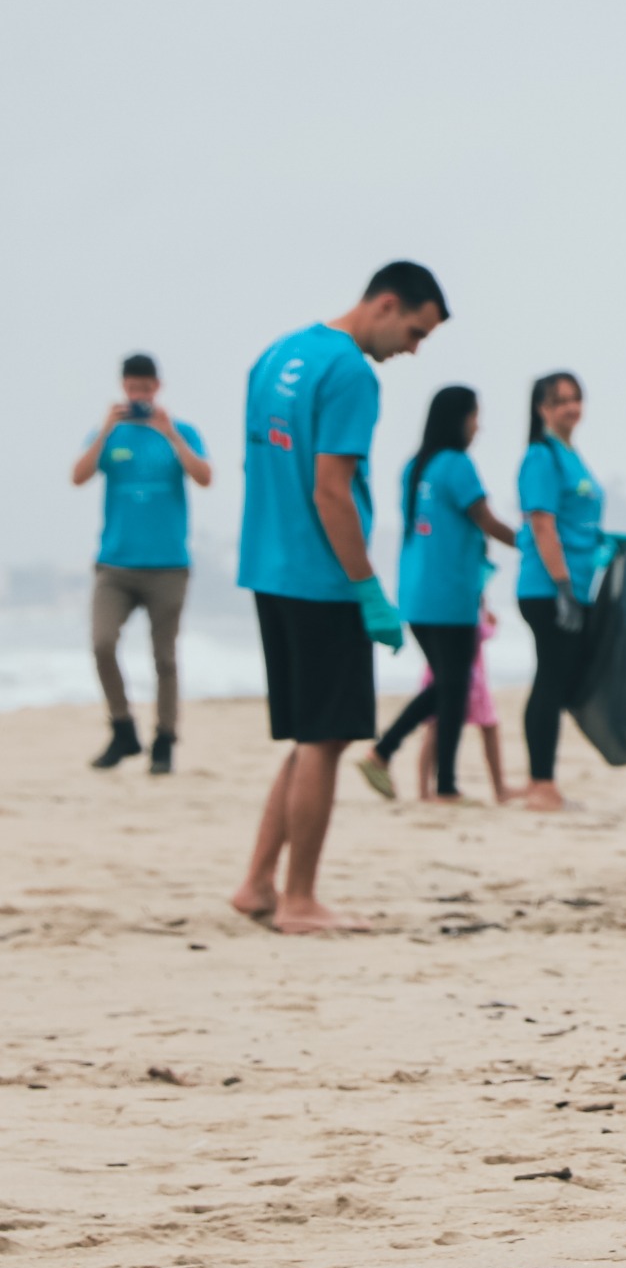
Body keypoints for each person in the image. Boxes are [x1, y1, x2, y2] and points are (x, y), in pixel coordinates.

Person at [230, 261, 449, 933]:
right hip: (322, 578)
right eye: (414, 331)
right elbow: (331, 489)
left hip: (268, 567)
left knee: (306, 737)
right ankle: (299, 899)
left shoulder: (278, 354)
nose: (413, 348)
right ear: (386, 304)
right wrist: (366, 587)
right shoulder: (353, 373)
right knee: (325, 741)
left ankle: (257, 884)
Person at [360, 386, 519, 802]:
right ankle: (400, 759)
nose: (478, 425)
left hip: (415, 595)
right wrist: (531, 545)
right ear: (458, 418)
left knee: (448, 686)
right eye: (474, 416)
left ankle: (412, 766)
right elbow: (484, 518)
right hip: (450, 596)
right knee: (452, 686)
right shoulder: (457, 465)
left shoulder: (415, 467)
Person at [73, 352, 211, 774]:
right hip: (115, 564)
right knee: (101, 643)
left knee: (164, 658)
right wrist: (105, 430)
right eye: (133, 389)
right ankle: (122, 728)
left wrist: (171, 435)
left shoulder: (180, 431)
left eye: (146, 389)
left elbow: (204, 477)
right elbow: (78, 476)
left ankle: (165, 739)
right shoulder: (109, 434)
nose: (139, 395)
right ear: (123, 387)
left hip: (168, 564)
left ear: (158, 387)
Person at [518, 370, 606, 812]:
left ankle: (543, 781)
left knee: (558, 678)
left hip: (578, 585)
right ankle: (540, 785)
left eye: (576, 398)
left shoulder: (573, 456)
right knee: (550, 679)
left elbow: (579, 522)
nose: (571, 407)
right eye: (560, 401)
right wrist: (562, 587)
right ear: (543, 409)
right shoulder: (542, 456)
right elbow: (542, 523)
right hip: (547, 587)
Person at [408, 602, 516, 802]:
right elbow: (479, 634)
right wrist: (491, 624)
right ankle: (500, 790)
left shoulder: (440, 613)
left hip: (442, 674)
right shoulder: (463, 615)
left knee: (434, 731)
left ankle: (423, 791)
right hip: (469, 680)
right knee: (484, 727)